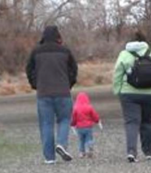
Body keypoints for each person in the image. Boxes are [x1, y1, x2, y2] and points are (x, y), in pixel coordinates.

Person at [26, 25, 78, 164]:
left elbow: (29, 69)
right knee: (65, 120)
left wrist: (35, 84)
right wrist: (69, 84)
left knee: (46, 124)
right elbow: (74, 69)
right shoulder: (65, 51)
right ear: (58, 36)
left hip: (43, 93)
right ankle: (61, 144)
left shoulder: (36, 52)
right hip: (63, 92)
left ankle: (49, 158)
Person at [113, 30, 151, 163]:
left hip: (129, 93)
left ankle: (131, 151)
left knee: (132, 122)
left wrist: (118, 90)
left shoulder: (124, 54)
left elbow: (117, 73)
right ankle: (148, 152)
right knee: (148, 121)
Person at [71, 92, 101, 158]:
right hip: (88, 127)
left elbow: (73, 118)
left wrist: (72, 124)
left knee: (81, 140)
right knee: (89, 138)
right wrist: (97, 121)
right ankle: (89, 148)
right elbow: (94, 116)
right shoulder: (89, 107)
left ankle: (82, 153)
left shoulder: (75, 108)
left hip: (79, 128)